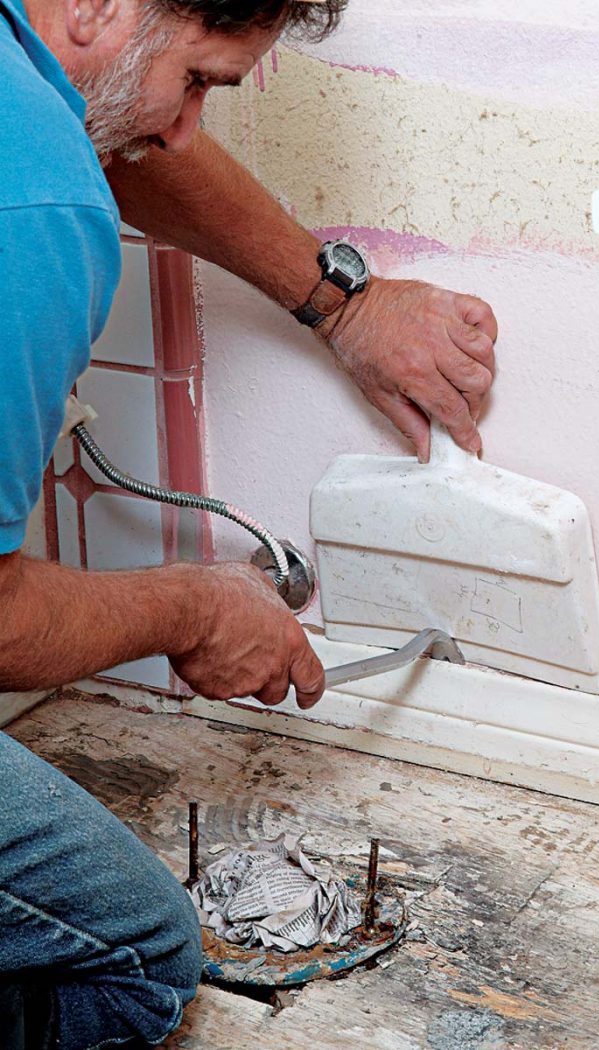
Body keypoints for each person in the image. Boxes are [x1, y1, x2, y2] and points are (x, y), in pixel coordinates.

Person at [0, 0, 497, 1044]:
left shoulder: (37, 62)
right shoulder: (35, 205)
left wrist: (341, 303)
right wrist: (192, 607)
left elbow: (105, 120)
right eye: (202, 83)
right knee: (136, 956)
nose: (186, 134)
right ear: (99, 5)